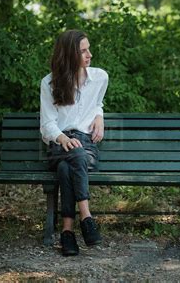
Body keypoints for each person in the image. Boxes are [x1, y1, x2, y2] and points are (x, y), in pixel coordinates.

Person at [40, 29, 109, 256]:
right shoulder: (49, 83)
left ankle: (67, 232)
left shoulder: (100, 77)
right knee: (74, 156)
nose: (90, 55)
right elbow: (47, 124)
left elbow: (97, 103)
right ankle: (86, 217)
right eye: (83, 51)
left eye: (89, 48)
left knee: (65, 167)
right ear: (69, 55)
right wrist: (62, 138)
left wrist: (99, 117)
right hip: (58, 143)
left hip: (86, 143)